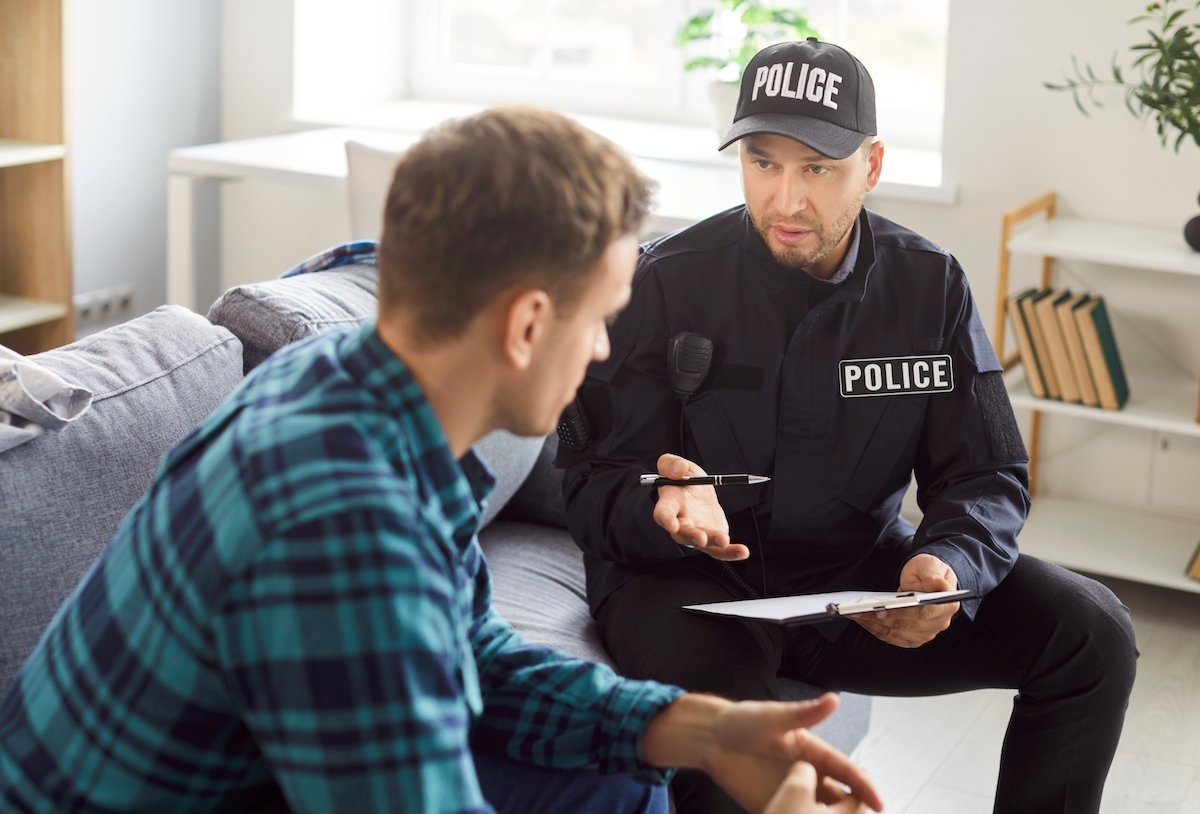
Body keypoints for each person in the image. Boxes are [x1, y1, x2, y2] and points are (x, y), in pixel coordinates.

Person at [0, 106, 881, 814]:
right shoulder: (344, 528)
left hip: (250, 767)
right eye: (602, 317)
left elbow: (468, 654)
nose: (606, 351)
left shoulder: (361, 389)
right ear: (529, 324)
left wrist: (701, 728)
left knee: (620, 779)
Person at [559, 38, 1139, 814]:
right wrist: (655, 507)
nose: (787, 200)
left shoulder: (929, 286)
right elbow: (591, 480)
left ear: (871, 165)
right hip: (685, 590)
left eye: (818, 169)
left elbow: (984, 472)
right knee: (740, 738)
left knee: (1093, 633)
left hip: (849, 581)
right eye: (763, 163)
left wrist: (948, 565)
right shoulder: (664, 283)